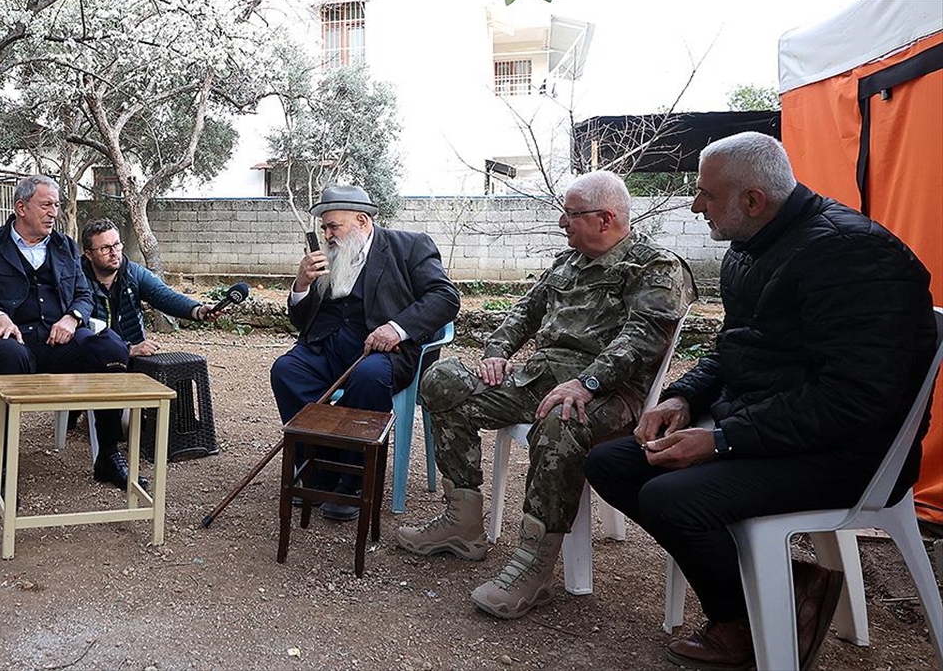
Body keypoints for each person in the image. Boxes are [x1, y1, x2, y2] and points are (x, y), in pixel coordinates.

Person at [585, 132, 937, 671]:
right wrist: (683, 398)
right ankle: (787, 589)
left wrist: (722, 441)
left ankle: (747, 622)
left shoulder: (853, 256)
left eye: (705, 194)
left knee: (672, 499)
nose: (695, 205)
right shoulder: (753, 248)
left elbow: (854, 401)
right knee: (611, 462)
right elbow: (733, 347)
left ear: (753, 201)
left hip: (851, 454)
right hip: (771, 428)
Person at [395, 170, 695, 620]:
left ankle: (534, 565)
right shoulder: (567, 263)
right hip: (539, 379)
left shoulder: (655, 268)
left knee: (562, 417)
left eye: (571, 214)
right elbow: (524, 313)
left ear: (605, 218)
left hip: (608, 394)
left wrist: (587, 383)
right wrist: (496, 352)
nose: (561, 222)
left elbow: (641, 341)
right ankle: (463, 521)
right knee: (441, 380)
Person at [271, 184, 461, 521]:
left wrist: (397, 328)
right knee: (286, 370)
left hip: (384, 350)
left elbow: (445, 298)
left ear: (362, 220)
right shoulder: (328, 257)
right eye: (324, 227)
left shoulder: (410, 246)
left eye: (334, 226)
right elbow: (302, 321)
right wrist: (300, 285)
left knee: (368, 377)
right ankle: (318, 469)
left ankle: (353, 480)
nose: (327, 234)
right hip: (327, 345)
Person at [0, 175, 143, 491]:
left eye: (55, 204)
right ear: (21, 207)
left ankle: (108, 455)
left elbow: (84, 294)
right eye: (46, 205)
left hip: (61, 341)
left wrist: (73, 317)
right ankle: (3, 463)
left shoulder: (65, 246)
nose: (53, 212)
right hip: (16, 342)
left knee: (111, 348)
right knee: (8, 355)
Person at [79, 218, 216, 359]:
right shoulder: (75, 280)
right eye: (105, 248)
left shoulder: (133, 273)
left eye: (117, 244)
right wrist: (127, 349)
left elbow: (164, 296)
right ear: (89, 254)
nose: (114, 252)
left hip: (135, 360)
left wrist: (197, 310)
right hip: (93, 361)